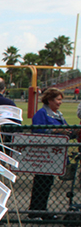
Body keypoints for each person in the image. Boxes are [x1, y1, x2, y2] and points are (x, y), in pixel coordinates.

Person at [28, 87, 75, 219]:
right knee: (41, 182)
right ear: (50, 100)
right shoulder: (42, 113)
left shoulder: (58, 115)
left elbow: (67, 131)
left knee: (47, 183)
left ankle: (42, 209)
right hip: (44, 156)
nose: (60, 102)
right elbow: (37, 132)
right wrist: (55, 131)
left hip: (55, 156)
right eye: (58, 99)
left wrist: (71, 132)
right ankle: (35, 211)